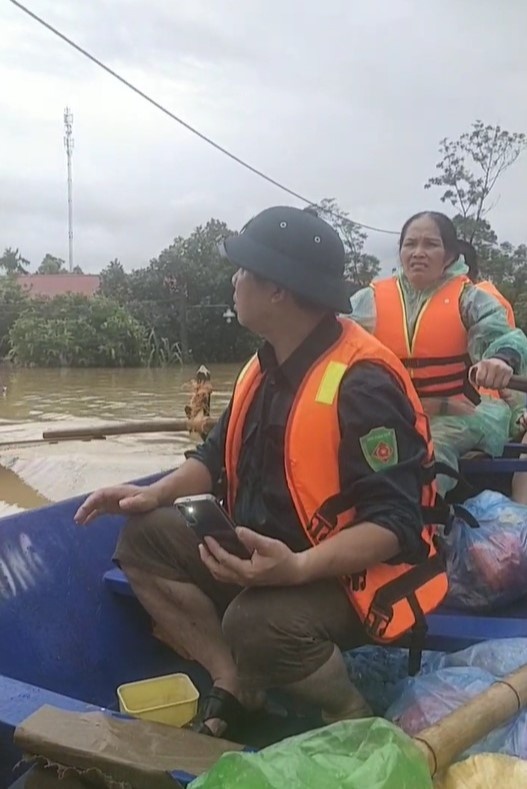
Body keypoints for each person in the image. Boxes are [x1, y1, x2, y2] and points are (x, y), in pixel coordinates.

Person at [75, 206, 447, 739]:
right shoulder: (263, 364)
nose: (234, 279)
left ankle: (348, 711)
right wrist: (150, 494)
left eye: (244, 270)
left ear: (279, 291)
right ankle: (234, 679)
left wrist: (294, 570)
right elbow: (211, 459)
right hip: (271, 552)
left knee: (257, 623)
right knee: (145, 537)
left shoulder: (363, 383)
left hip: (351, 572)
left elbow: (394, 525)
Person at [350, 211, 527, 496]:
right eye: (410, 244)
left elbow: (503, 335)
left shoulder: (468, 297)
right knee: (350, 451)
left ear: (449, 255)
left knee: (427, 451)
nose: (418, 252)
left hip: (456, 414)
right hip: (390, 411)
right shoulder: (370, 299)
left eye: (430, 244)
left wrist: (500, 359)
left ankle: (416, 526)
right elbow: (335, 334)